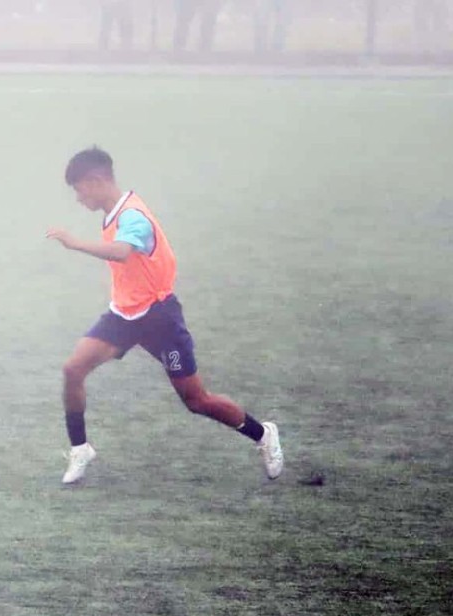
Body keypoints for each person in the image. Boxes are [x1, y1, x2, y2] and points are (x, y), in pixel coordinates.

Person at [45, 147, 283, 484]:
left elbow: (122, 252)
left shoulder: (133, 217)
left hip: (159, 319)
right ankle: (81, 448)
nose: (78, 198)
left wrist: (75, 243)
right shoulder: (114, 211)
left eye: (79, 189)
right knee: (73, 369)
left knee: (197, 400)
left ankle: (263, 434)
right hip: (124, 315)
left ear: (96, 181)